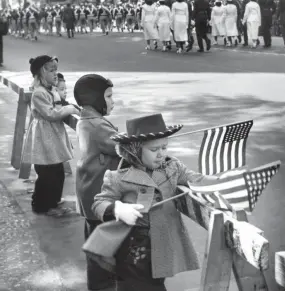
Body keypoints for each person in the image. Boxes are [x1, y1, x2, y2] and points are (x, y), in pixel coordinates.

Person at [91, 113, 237, 291]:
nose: (161, 154)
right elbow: (99, 203)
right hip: (132, 247)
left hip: (162, 245)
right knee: (136, 286)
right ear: (135, 149)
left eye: (164, 148)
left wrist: (222, 180)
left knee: (155, 282)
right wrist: (119, 209)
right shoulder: (118, 177)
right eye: (154, 150)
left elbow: (196, 180)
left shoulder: (172, 167)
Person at [74, 74, 121, 291]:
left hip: (88, 192)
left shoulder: (86, 119)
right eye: (109, 96)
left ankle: (100, 284)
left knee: (95, 242)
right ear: (96, 99)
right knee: (102, 249)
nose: (113, 101)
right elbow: (122, 147)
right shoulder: (97, 124)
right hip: (98, 194)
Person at [21, 55, 79, 216]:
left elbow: (62, 104)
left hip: (52, 135)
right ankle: (41, 205)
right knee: (47, 173)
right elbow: (50, 113)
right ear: (41, 73)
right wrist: (69, 110)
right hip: (44, 137)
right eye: (51, 70)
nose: (55, 74)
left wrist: (74, 108)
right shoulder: (39, 93)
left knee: (57, 171)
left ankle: (53, 201)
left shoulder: (50, 90)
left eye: (56, 70)